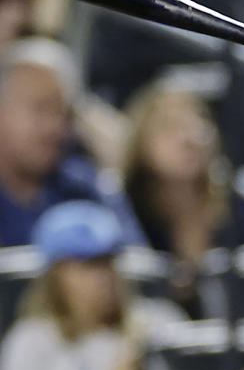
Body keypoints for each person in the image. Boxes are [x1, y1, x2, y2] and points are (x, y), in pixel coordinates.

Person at [121, 79, 244, 318]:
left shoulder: (240, 208)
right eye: (169, 126)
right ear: (141, 141)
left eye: (198, 122)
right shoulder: (125, 208)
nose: (189, 137)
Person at [0, 200, 186, 370]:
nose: (102, 278)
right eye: (87, 266)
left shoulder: (159, 325)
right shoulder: (31, 342)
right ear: (55, 277)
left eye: (107, 263)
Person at [0, 36, 140, 247]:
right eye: (41, 108)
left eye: (64, 113)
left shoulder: (83, 188)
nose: (55, 127)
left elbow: (134, 265)